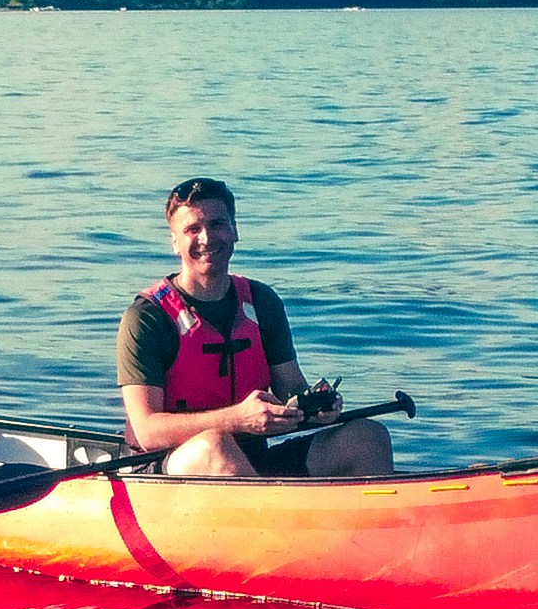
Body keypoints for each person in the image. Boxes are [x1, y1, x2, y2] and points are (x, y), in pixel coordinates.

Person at [116, 177, 392, 478]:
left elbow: (291, 388)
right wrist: (236, 419)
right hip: (164, 470)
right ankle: (280, 520)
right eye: (193, 229)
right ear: (175, 242)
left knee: (368, 437)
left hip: (253, 463)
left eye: (218, 224)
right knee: (216, 446)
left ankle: (380, 520)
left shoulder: (261, 301)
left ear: (234, 231)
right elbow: (147, 431)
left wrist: (315, 409)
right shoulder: (146, 318)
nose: (207, 238)